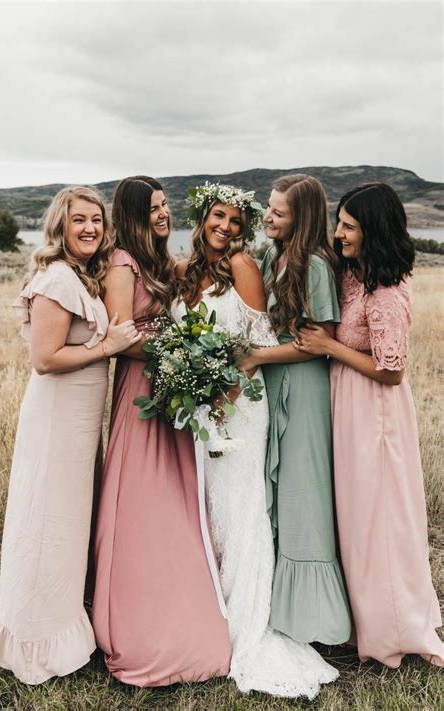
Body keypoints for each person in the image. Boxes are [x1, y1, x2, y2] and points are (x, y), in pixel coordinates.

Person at [172, 181, 339, 699]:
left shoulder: (245, 267)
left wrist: (224, 385)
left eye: (236, 222)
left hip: (240, 404)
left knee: (241, 506)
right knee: (210, 507)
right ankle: (210, 610)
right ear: (201, 218)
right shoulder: (183, 270)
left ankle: (247, 620)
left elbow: (259, 343)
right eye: (218, 218)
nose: (226, 228)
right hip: (202, 407)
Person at [0, 186, 140, 685]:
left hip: (77, 422)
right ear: (60, 227)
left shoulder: (80, 277)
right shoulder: (55, 280)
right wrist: (108, 346)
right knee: (47, 524)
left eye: (96, 219)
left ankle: (65, 621)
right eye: (79, 220)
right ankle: (35, 639)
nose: (90, 227)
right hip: (54, 424)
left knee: (69, 525)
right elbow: (45, 360)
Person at [294, 182, 444, 668]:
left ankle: (390, 628)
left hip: (376, 411)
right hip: (349, 403)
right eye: (339, 222)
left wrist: (329, 348)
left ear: (373, 230)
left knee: (379, 517)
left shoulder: (387, 289)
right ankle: (360, 619)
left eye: (349, 226)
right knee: (355, 517)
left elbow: (393, 368)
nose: (338, 234)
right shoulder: (353, 275)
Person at [91, 176, 231, 687]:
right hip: (141, 392)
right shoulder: (124, 263)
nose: (164, 212)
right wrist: (177, 351)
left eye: (166, 203)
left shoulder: (156, 260)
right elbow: (119, 337)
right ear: (133, 214)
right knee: (143, 498)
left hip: (174, 389)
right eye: (154, 207)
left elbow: (200, 276)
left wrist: (225, 230)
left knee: (177, 493)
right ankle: (144, 617)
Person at [241, 174, 351, 644]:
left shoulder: (316, 266)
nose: (267, 216)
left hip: (302, 387)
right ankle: (271, 599)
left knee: (302, 489)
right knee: (277, 485)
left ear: (301, 218)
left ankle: (312, 615)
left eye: (278, 212)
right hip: (272, 379)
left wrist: (258, 356)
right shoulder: (272, 254)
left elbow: (318, 342)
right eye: (268, 207)